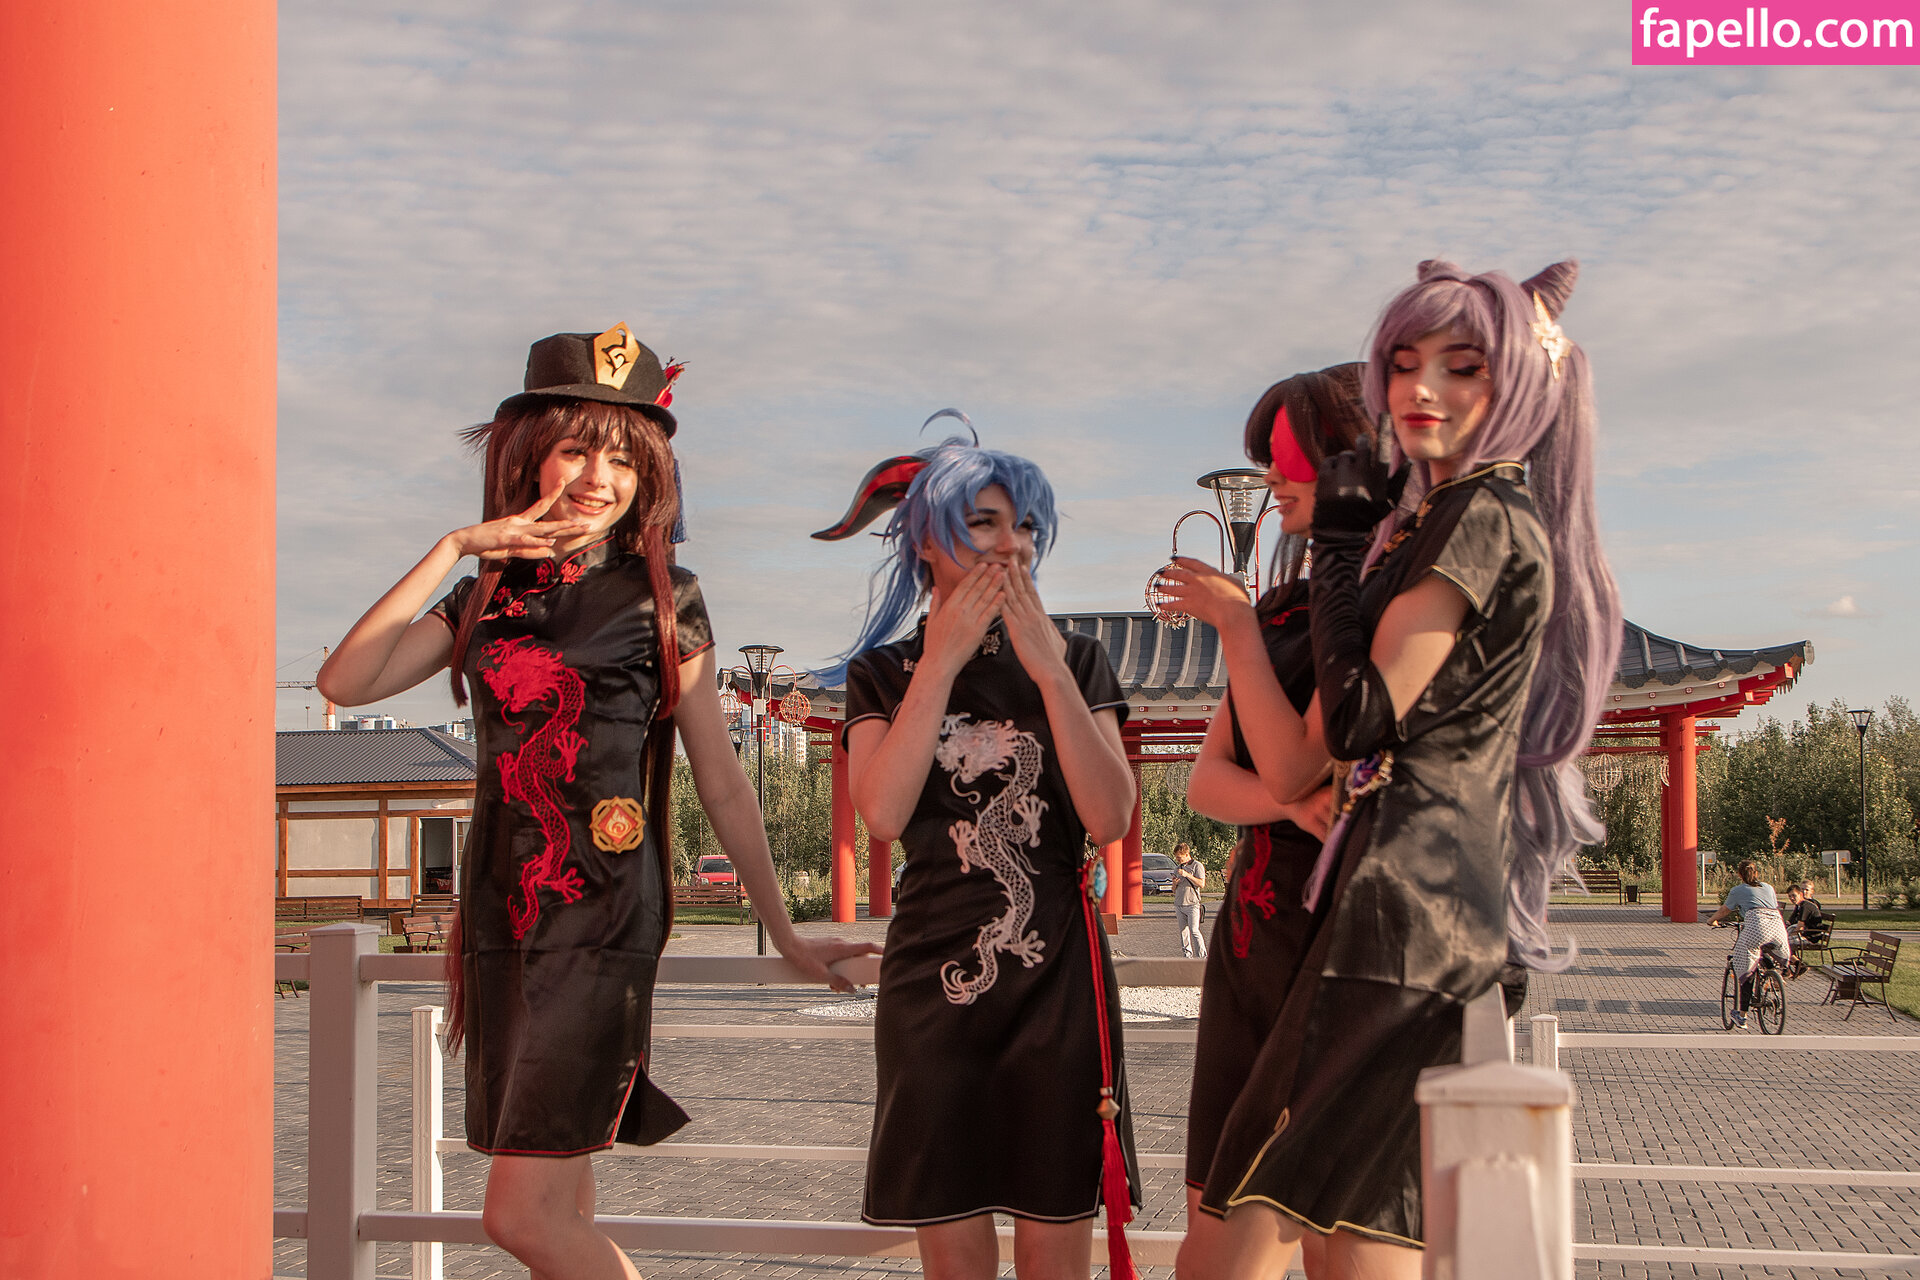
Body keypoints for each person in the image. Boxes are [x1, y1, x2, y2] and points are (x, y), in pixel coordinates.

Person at [316, 326, 875, 1280]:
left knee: (521, 1217)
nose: (597, 478)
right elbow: (346, 680)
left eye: (622, 458)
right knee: (559, 1204)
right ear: (529, 455)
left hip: (603, 910)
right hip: (499, 913)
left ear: (650, 475)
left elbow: (720, 776)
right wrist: (455, 547)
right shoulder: (483, 596)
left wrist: (783, 929)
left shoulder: (664, 596)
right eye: (577, 449)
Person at [1179, 261, 1623, 1279]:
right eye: (1406, 363)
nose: (1422, 389)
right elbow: (1293, 760)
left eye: (1463, 366)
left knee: (1297, 1226)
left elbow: (1354, 726)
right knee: (1318, 1221)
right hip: (1377, 906)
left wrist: (1334, 557)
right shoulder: (1441, 522)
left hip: (1406, 911)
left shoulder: (1479, 517)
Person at [814, 419, 1142, 1280]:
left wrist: (1050, 671)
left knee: (1055, 1246)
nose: (1012, 544)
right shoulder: (883, 672)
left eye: (1025, 525)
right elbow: (882, 811)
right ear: (928, 539)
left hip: (1057, 978)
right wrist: (941, 660)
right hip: (933, 982)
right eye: (986, 523)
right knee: (955, 1257)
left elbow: (1110, 815)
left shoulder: (1080, 658)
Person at [1155, 363, 1366, 1280]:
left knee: (1336, 1240)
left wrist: (1236, 631)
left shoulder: (1381, 609)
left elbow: (1293, 760)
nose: (1273, 477)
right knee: (1214, 1236)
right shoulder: (1280, 610)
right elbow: (1209, 783)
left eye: (1288, 457)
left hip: (1346, 944)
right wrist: (1289, 803)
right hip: (1252, 940)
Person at [1710, 861, 1792, 1025]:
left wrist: (1711, 920)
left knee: (1745, 965)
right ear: (1757, 873)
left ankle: (1742, 1015)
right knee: (1765, 950)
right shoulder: (1768, 887)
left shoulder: (1738, 890)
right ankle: (1773, 974)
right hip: (1777, 927)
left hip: (1757, 926)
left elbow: (1725, 910)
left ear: (1739, 874)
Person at [1173, 844, 1208, 959]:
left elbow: (1201, 884)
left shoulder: (1197, 866)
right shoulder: (1177, 868)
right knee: (1183, 932)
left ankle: (1202, 956)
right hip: (1179, 903)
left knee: (1194, 930)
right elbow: (1173, 890)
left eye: (1180, 857)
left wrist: (1187, 875)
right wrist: (1175, 884)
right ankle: (1187, 955)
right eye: (1176, 857)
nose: (1178, 859)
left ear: (1187, 854)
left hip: (1192, 904)